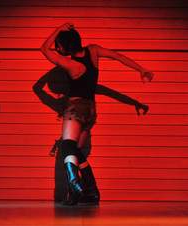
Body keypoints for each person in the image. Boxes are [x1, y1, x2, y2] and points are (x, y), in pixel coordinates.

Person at [40, 23, 154, 205]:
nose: (57, 49)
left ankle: (75, 185)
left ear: (66, 46)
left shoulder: (69, 63)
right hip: (91, 111)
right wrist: (141, 69)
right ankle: (92, 192)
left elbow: (44, 49)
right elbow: (118, 57)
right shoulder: (93, 51)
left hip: (75, 108)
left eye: (59, 46)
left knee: (67, 147)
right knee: (76, 151)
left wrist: (59, 28)